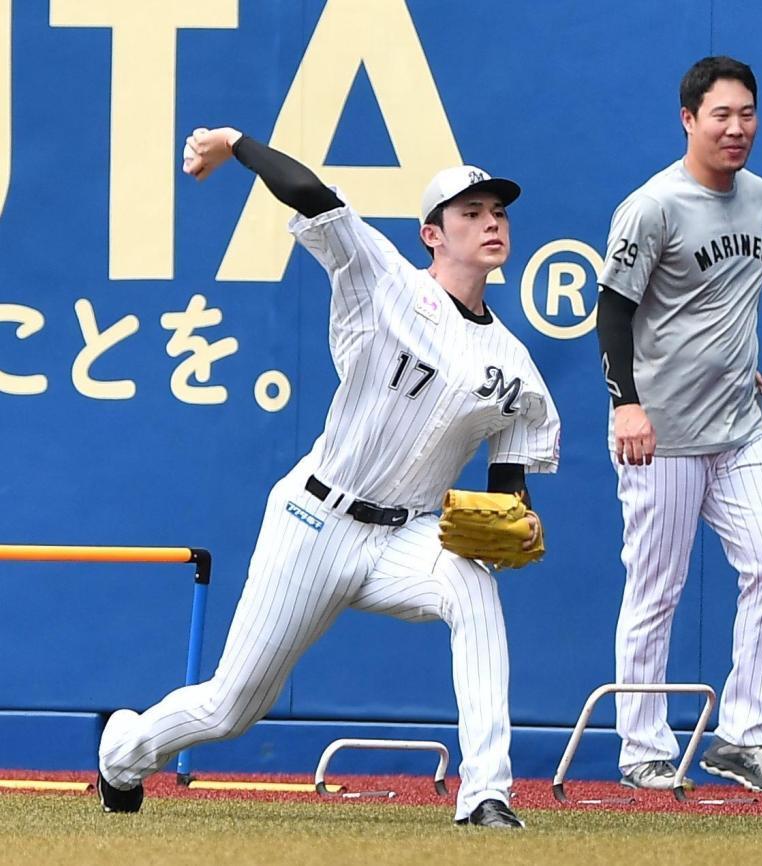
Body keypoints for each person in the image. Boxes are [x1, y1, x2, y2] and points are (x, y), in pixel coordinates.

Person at [96, 127, 561, 829]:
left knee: (473, 587)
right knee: (230, 707)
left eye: (497, 211)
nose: (491, 222)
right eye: (470, 213)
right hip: (315, 519)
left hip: (406, 536)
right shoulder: (385, 282)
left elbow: (509, 475)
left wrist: (515, 515)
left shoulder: (514, 362)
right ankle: (124, 755)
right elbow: (316, 198)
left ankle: (486, 794)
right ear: (431, 234)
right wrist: (235, 142)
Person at [595, 56, 762, 794]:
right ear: (689, 119)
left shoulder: (761, 197)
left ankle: (742, 736)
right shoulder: (652, 205)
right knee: (657, 588)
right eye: (721, 115)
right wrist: (625, 402)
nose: (736, 128)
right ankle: (641, 745)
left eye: (747, 113)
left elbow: (728, 295)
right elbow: (615, 307)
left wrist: (739, 360)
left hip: (740, 427)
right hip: (663, 435)